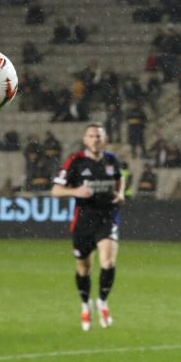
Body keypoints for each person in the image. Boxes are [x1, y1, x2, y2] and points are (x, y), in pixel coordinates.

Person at [51, 124, 124, 332]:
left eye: (99, 136)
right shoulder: (75, 162)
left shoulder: (112, 160)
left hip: (107, 218)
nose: (95, 140)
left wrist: (121, 194)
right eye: (91, 136)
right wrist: (75, 191)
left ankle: (102, 301)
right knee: (84, 269)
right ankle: (85, 304)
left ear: (105, 139)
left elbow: (120, 179)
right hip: (83, 223)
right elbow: (55, 190)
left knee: (108, 261)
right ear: (85, 140)